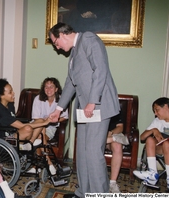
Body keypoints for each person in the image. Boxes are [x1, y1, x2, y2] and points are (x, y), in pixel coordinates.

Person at [48, 23, 120, 198]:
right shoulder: (74, 52)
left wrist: (92, 101)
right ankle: (83, 192)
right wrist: (58, 108)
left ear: (63, 34)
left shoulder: (88, 39)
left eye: (55, 42)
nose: (56, 47)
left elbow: (100, 70)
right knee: (82, 153)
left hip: (98, 107)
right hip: (86, 110)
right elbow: (70, 83)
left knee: (94, 153)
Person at [0, 78, 51, 151]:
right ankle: (28, 145)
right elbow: (21, 126)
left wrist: (42, 122)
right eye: (10, 92)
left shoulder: (10, 105)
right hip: (6, 139)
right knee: (29, 128)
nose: (13, 93)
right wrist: (45, 123)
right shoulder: (0, 111)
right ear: (1, 96)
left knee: (40, 121)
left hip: (15, 134)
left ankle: (30, 143)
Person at [31, 77, 69, 174]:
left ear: (56, 89)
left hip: (51, 127)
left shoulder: (61, 100)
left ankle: (36, 166)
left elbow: (64, 117)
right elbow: (36, 118)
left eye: (51, 87)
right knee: (40, 131)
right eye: (46, 87)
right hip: (37, 125)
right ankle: (48, 162)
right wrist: (44, 122)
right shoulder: (38, 99)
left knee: (39, 138)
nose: (48, 90)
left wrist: (53, 121)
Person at [133, 97, 169, 190]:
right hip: (162, 149)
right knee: (149, 139)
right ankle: (152, 173)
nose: (155, 114)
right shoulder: (158, 121)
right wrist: (153, 130)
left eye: (157, 110)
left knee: (167, 144)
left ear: (166, 107)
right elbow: (142, 137)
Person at [106, 113, 129, 193]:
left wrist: (111, 133)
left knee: (117, 145)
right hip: (97, 133)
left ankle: (112, 183)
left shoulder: (116, 108)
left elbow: (120, 127)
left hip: (112, 135)